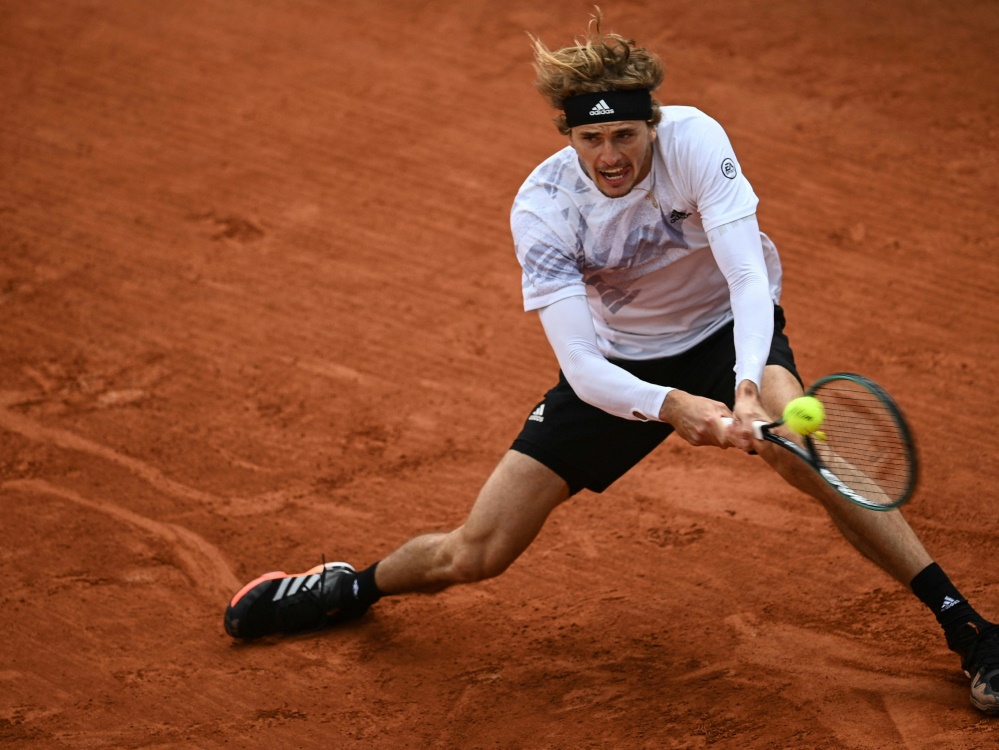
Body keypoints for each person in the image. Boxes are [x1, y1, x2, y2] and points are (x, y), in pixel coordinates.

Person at [222, 13, 998, 715]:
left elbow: (746, 276)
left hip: (724, 330)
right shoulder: (542, 210)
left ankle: (969, 631)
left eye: (624, 136)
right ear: (565, 135)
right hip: (622, 370)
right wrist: (675, 407)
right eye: (591, 140)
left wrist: (745, 385)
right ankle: (349, 587)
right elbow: (585, 369)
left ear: (651, 126)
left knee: (806, 454)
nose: (610, 156)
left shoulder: (695, 141)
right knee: (479, 551)